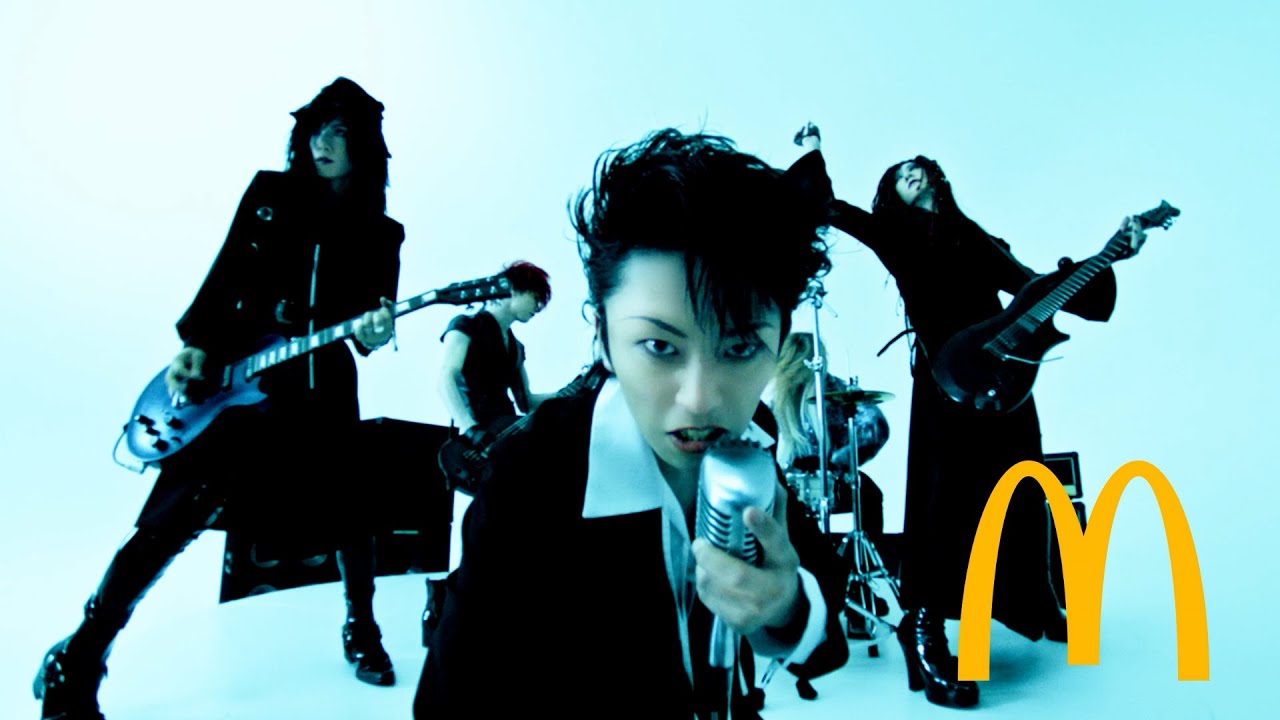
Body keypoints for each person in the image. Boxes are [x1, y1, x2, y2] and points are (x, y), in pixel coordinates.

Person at [414, 129, 849, 718]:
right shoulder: (531, 475)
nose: (700, 400)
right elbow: (450, 704)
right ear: (603, 338)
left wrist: (785, 608)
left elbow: (823, 638)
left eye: (740, 348)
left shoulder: (754, 443)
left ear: (780, 340)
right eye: (660, 346)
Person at [33, 77, 405, 720]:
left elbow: (375, 322)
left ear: (364, 145)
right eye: (315, 128)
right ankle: (80, 655)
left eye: (340, 132)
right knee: (173, 515)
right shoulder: (271, 196)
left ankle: (361, 628)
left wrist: (377, 331)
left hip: (320, 387)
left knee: (350, 507)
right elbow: (227, 271)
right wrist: (198, 344)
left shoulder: (381, 232)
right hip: (236, 381)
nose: (322, 142)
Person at [792, 122, 1144, 708]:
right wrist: (813, 150)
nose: (914, 172)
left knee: (1021, 488)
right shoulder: (893, 233)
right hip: (946, 383)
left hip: (1005, 383)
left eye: (920, 168)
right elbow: (826, 206)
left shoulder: (974, 236)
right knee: (944, 504)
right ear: (891, 194)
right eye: (901, 173)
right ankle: (923, 627)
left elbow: (1032, 286)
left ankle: (1033, 601)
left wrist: (1107, 256)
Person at [438, 260, 551, 461]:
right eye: (536, 297)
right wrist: (470, 429)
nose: (539, 306)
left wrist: (573, 391)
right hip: (476, 439)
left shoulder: (517, 347)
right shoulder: (466, 324)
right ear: (513, 289)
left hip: (506, 432)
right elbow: (446, 378)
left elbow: (527, 402)